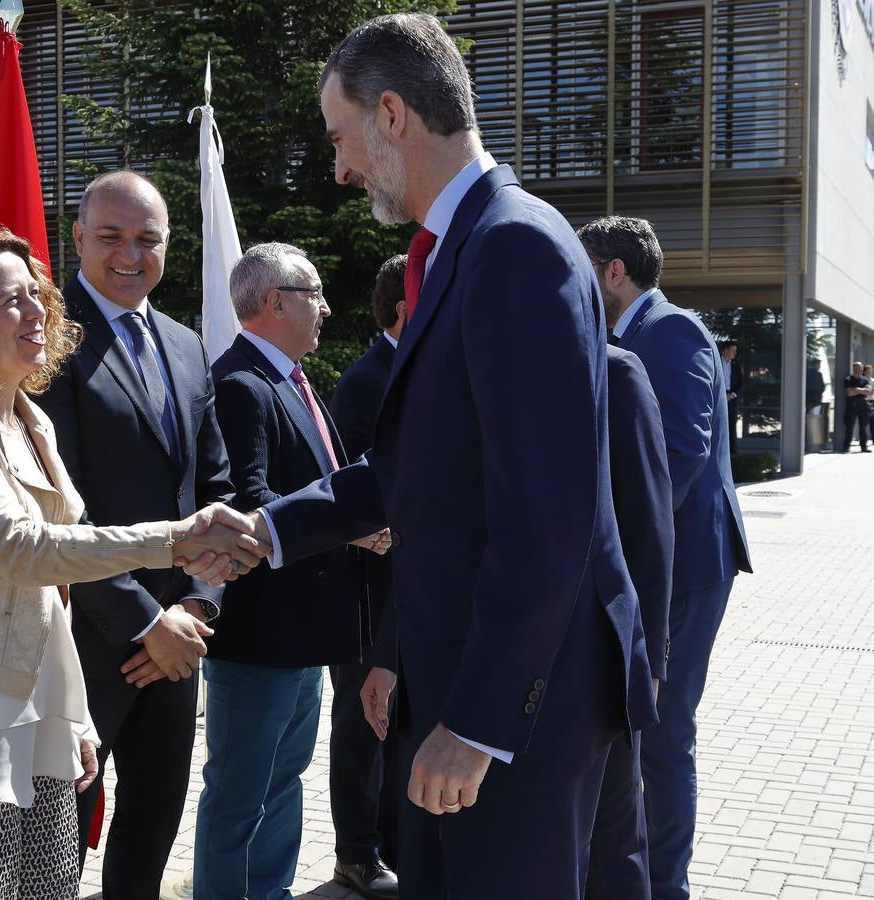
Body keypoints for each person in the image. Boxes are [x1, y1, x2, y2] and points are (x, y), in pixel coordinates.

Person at [178, 15, 658, 898]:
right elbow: (421, 473)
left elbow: (550, 516)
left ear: (391, 113)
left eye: (339, 137)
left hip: (520, 706)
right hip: (476, 680)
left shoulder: (513, 246)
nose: (338, 168)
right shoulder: (460, 249)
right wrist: (261, 528)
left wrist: (477, 724)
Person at [0, 225, 266, 899]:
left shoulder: (31, 419)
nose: (38, 312)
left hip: (43, 706)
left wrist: (73, 712)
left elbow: (51, 589)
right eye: (12, 301)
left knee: (53, 886)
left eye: (37, 295)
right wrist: (174, 538)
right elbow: (19, 548)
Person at [37, 171, 239, 899]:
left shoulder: (186, 346)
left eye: (147, 239)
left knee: (152, 822)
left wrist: (195, 609)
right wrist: (143, 621)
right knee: (61, 836)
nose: (131, 254)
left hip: (178, 642)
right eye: (112, 237)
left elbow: (216, 492)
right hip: (81, 641)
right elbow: (60, 512)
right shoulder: (43, 341)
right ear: (79, 239)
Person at [195, 243, 382, 900]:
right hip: (260, 638)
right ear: (275, 303)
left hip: (300, 636)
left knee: (282, 784)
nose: (326, 308)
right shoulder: (241, 385)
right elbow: (245, 503)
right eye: (315, 293)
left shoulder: (288, 379)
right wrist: (351, 527)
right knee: (242, 793)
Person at [578, 215, 752, 900]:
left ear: (613, 271)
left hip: (682, 567)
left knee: (664, 732)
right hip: (656, 562)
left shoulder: (671, 333)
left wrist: (611, 539)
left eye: (583, 266)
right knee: (639, 727)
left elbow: (678, 454)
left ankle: (664, 885)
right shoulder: (626, 337)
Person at [326, 253, 406, 893]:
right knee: (361, 719)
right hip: (369, 583)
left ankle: (395, 840)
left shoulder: (418, 369)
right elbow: (344, 484)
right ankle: (355, 852)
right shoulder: (365, 381)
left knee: (398, 716)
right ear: (405, 309)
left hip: (412, 581)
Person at [587, 345, 675, 900]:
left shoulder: (616, 370)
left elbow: (650, 522)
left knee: (615, 835)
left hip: (606, 651)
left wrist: (650, 654)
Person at [841, 361, 873, 452]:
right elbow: (849, 393)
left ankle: (864, 447)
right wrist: (863, 391)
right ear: (854, 368)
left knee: (863, 427)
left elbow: (870, 392)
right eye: (859, 367)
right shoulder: (848, 379)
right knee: (849, 427)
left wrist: (857, 389)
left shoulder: (865, 379)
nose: (861, 369)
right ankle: (846, 447)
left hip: (863, 405)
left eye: (862, 367)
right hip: (852, 405)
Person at [720, 341, 743, 442]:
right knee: (718, 421)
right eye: (732, 350)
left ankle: (733, 451)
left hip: (731, 397)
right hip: (719, 395)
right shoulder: (717, 362)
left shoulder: (735, 365)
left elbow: (741, 383)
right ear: (725, 350)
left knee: (732, 422)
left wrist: (733, 395)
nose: (735, 352)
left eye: (735, 350)